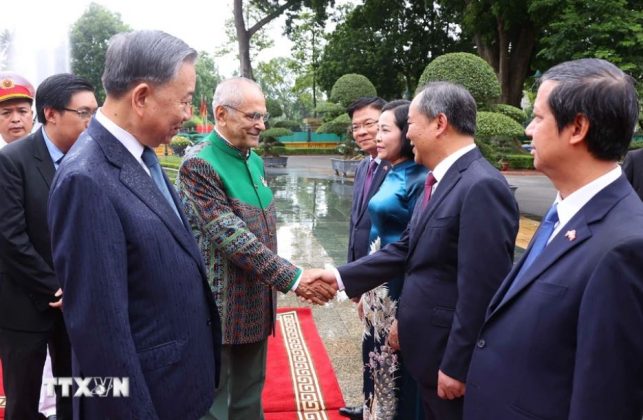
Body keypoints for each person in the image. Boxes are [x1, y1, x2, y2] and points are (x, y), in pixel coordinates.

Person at [316, 82, 519, 420]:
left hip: (445, 358)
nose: (407, 134)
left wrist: (458, 365)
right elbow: (406, 248)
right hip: (424, 348)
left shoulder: (481, 185)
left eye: (409, 123)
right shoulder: (441, 179)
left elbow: (481, 289)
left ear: (439, 123)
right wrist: (338, 277)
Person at [47, 30, 222, 419]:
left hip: (178, 386)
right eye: (185, 101)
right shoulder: (86, 179)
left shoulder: (140, 155)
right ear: (141, 97)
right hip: (146, 400)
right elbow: (100, 336)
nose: (188, 114)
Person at [464, 59, 643, 420]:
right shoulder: (566, 212)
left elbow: (604, 401)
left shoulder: (625, 246)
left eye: (538, 117)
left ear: (577, 127)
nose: (529, 130)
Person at [175, 77, 335, 420]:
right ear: (221, 114)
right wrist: (294, 278)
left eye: (263, 116)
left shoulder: (254, 160)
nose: (261, 124)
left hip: (256, 301)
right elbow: (234, 238)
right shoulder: (199, 165)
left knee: (250, 396)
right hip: (218, 305)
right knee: (213, 402)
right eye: (252, 116)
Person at [0, 73, 97, 420]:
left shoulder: (91, 158)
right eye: (83, 113)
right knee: (23, 399)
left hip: (77, 304)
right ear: (52, 113)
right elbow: (10, 238)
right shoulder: (13, 160)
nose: (91, 122)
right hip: (24, 305)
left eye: (93, 113)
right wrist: (55, 286)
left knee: (76, 391)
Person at [360, 99, 426, 419]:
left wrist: (407, 313)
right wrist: (365, 289)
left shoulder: (420, 179)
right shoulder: (390, 170)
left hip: (399, 294)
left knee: (395, 374)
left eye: (385, 130)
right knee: (374, 363)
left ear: (407, 132)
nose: (377, 137)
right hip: (378, 289)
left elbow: (416, 251)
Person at [341, 96, 389, 420]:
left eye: (369, 123)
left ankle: (384, 409)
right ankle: (369, 404)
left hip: (386, 276)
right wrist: (352, 279)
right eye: (356, 126)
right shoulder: (363, 166)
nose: (361, 132)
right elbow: (356, 223)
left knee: (385, 349)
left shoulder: (399, 167)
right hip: (364, 273)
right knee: (368, 345)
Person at [0, 71, 35, 147]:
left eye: (22, 111)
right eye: (6, 113)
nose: (15, 119)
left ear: (32, 116)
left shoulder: (50, 153)